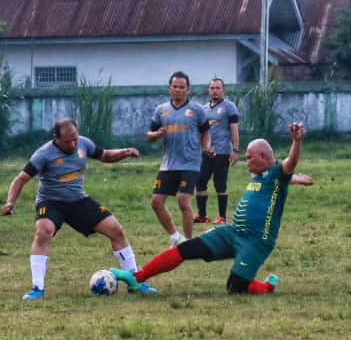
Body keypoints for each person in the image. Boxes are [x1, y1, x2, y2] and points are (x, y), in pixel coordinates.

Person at [112, 123, 313, 295]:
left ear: (263, 156)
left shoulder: (278, 172)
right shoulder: (263, 175)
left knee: (235, 288)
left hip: (255, 242)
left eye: (249, 158)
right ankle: (137, 277)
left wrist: (296, 141)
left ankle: (266, 288)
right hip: (233, 232)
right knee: (185, 248)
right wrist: (295, 179)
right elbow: (281, 179)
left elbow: (290, 163)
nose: (246, 162)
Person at [2, 118, 156, 300]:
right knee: (43, 232)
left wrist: (124, 152)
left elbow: (105, 155)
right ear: (56, 138)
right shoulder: (43, 154)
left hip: (78, 200)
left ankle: (136, 281)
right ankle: (37, 288)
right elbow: (21, 179)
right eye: (68, 141)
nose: (73, 144)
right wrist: (10, 202)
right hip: (51, 202)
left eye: (75, 139)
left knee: (116, 230)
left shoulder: (84, 143)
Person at [146, 71, 212, 247]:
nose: (178, 90)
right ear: (169, 88)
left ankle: (189, 243)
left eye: (182, 87)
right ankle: (175, 237)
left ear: (188, 90)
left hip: (190, 163)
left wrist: (206, 146)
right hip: (168, 165)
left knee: (183, 201)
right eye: (175, 86)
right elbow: (149, 135)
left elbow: (206, 132)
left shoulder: (197, 110)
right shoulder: (161, 110)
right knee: (156, 202)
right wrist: (156, 134)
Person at [194, 77, 240, 225]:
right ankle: (202, 216)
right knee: (200, 182)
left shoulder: (229, 107)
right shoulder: (203, 109)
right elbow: (201, 132)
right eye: (212, 88)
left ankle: (222, 217)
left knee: (220, 184)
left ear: (223, 90)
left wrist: (235, 150)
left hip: (222, 152)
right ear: (208, 90)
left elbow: (234, 129)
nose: (215, 91)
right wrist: (202, 147)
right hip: (206, 152)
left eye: (218, 88)